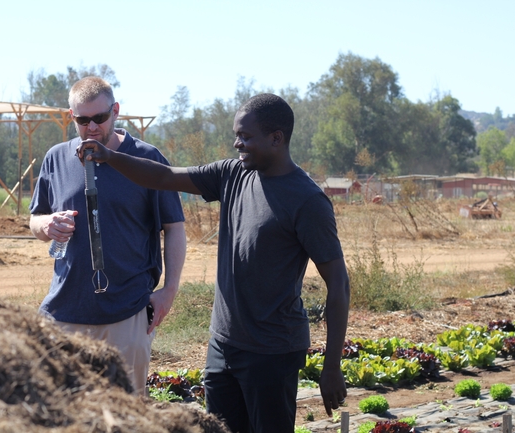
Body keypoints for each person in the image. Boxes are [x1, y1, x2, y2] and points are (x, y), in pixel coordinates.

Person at [77, 93, 350, 433]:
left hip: (272, 352)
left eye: (245, 137)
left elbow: (338, 283)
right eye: (237, 135)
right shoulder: (233, 174)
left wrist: (332, 366)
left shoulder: (308, 201)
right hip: (223, 345)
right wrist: (109, 157)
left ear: (276, 138)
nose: (237, 144)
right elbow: (164, 177)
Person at [29, 76, 187, 395]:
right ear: (71, 117)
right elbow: (34, 219)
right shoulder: (56, 158)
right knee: (65, 410)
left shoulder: (146, 158)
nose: (91, 127)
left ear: (115, 111)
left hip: (126, 313)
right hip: (65, 312)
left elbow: (174, 227)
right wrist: (46, 225)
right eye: (82, 120)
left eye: (99, 118)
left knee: (127, 411)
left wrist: (169, 290)